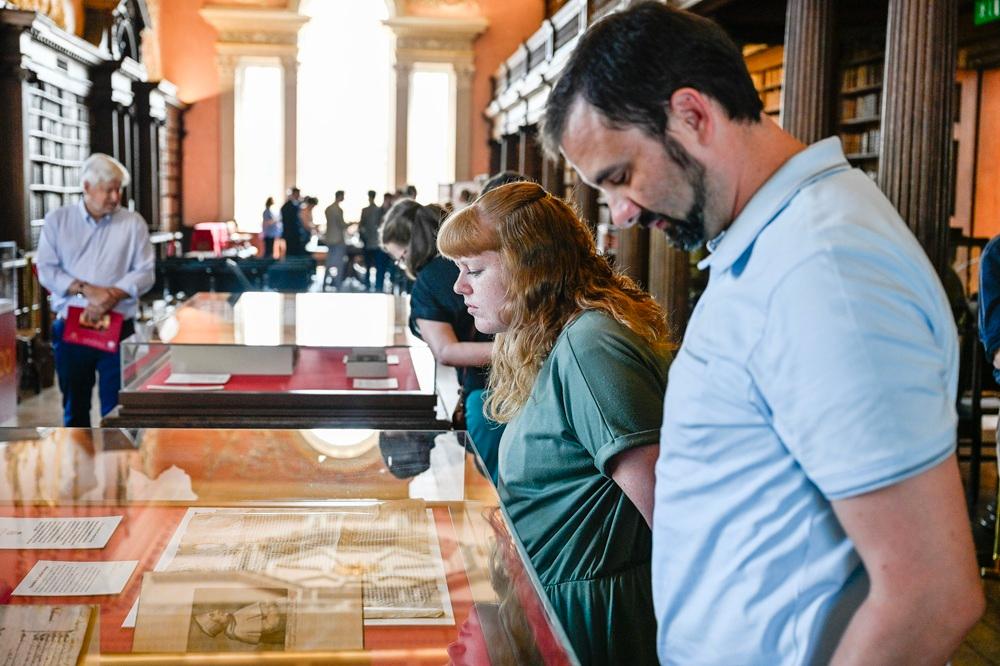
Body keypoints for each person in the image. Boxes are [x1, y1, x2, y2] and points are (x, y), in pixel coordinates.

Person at [542, 3, 984, 664]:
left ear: (692, 114)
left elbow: (930, 596)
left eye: (621, 176)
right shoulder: (778, 247)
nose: (623, 212)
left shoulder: (821, 269)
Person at [438, 181, 671, 665]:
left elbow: (672, 516)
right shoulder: (552, 340)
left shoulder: (592, 348)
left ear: (530, 269)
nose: (460, 287)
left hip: (594, 624)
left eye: (474, 270)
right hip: (555, 604)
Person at [380, 200, 504, 481]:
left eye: (399, 258)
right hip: (523, 382)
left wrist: (518, 350)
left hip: (486, 392)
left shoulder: (428, 281)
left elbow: (446, 350)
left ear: (410, 248)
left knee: (502, 481)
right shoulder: (479, 259)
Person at [36, 153, 155, 427]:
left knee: (118, 411)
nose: (115, 197)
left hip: (119, 326)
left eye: (119, 189)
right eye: (108, 189)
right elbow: (47, 269)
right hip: (72, 327)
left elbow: (146, 272)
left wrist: (111, 295)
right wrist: (87, 291)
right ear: (87, 187)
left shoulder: (133, 223)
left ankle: (118, 469)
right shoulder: (58, 221)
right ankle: (79, 467)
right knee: (74, 409)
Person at [359, 190, 388, 292]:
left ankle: (368, 286)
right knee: (377, 267)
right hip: (375, 243)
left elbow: (361, 227)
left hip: (369, 242)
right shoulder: (378, 210)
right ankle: (378, 287)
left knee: (368, 266)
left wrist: (364, 237)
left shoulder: (367, 210)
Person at [323, 190, 348, 290]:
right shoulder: (338, 210)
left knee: (329, 262)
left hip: (329, 238)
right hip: (337, 239)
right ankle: (338, 284)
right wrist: (352, 223)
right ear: (340, 196)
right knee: (339, 263)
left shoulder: (328, 209)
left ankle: (325, 283)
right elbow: (341, 225)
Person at [280, 187, 307, 257]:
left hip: (295, 234)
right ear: (294, 194)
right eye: (297, 194)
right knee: (291, 253)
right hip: (290, 234)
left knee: (295, 252)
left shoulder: (296, 205)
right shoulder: (287, 206)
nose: (299, 196)